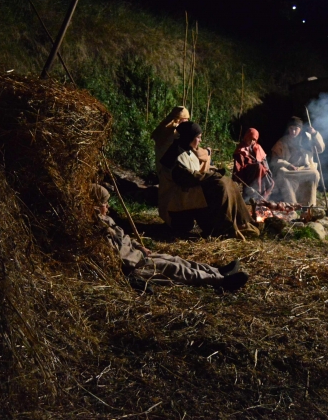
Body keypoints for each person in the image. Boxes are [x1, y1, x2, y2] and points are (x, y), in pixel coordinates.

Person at [90, 184, 249, 292]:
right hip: (135, 265)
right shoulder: (98, 229)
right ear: (96, 205)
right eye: (104, 203)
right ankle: (219, 282)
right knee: (175, 269)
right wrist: (136, 260)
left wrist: (139, 247)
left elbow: (126, 238)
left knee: (176, 260)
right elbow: (116, 257)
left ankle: (218, 271)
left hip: (139, 255)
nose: (108, 206)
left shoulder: (107, 220)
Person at [160, 121, 259, 238]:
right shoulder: (174, 155)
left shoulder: (187, 150)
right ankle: (222, 227)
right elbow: (187, 177)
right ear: (189, 137)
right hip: (175, 200)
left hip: (188, 192)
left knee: (228, 182)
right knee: (220, 186)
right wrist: (212, 176)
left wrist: (214, 173)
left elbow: (196, 172)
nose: (200, 140)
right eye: (198, 137)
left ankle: (243, 222)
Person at [270, 116, 325, 206]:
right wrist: (287, 165)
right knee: (282, 172)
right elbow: (275, 159)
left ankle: (308, 207)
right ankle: (292, 205)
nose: (293, 131)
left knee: (314, 174)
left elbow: (320, 149)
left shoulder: (308, 138)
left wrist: (314, 134)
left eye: (296, 129)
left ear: (300, 129)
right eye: (291, 128)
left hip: (304, 169)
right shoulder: (282, 141)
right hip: (289, 170)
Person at [152, 106, 190, 225]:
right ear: (179, 119)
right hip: (168, 167)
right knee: (170, 194)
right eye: (186, 120)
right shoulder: (173, 130)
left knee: (166, 193)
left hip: (163, 165)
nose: (187, 122)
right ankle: (170, 220)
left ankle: (169, 219)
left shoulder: (165, 127)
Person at [233, 128, 275, 200]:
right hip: (247, 171)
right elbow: (239, 164)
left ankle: (262, 197)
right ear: (246, 137)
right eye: (250, 138)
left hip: (259, 169)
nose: (251, 141)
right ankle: (254, 193)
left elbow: (264, 160)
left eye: (254, 139)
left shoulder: (258, 147)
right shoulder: (241, 148)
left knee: (270, 181)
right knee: (258, 166)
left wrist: (268, 169)